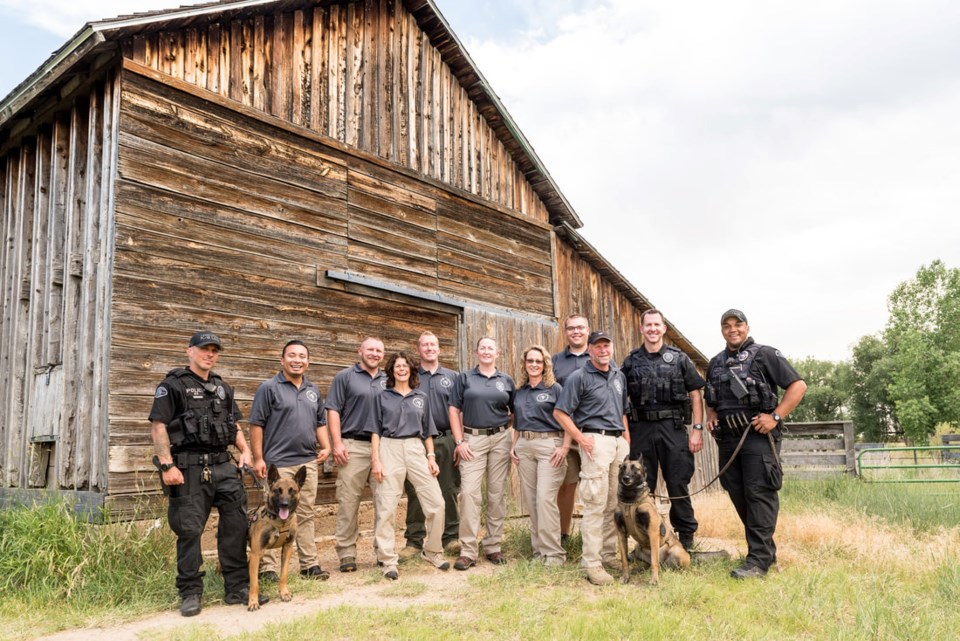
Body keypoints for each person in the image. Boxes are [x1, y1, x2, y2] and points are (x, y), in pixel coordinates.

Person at [149, 331, 265, 617]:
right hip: (188, 467)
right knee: (189, 530)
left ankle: (236, 588)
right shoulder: (172, 386)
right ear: (190, 351)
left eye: (214, 350)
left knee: (236, 527)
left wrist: (246, 452)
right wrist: (167, 465)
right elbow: (159, 426)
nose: (209, 354)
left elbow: (233, 424)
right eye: (204, 349)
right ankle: (190, 592)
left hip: (224, 466)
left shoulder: (222, 387)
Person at [704, 309, 807, 579]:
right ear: (722, 330)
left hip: (758, 437)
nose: (732, 329)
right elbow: (710, 398)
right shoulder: (715, 362)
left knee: (759, 494)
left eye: (737, 324)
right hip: (728, 439)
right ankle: (763, 553)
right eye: (726, 325)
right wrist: (711, 414)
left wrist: (775, 416)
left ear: (747, 328)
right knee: (738, 495)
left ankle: (758, 562)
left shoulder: (766, 354)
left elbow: (798, 386)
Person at [249, 340, 332, 582]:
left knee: (305, 513)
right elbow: (257, 424)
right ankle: (268, 568)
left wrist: (326, 445)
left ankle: (309, 564)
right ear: (282, 360)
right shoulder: (269, 388)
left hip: (306, 463)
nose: (297, 360)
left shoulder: (313, 390)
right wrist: (258, 457)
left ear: (308, 361)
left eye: (302, 356)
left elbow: (319, 422)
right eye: (292, 355)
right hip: (278, 463)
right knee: (271, 514)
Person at [622, 309, 705, 552]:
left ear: (664, 328)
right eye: (648, 325)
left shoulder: (679, 359)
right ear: (641, 329)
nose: (652, 329)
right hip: (641, 428)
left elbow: (695, 394)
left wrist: (697, 429)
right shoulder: (631, 361)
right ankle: (645, 539)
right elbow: (618, 396)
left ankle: (686, 538)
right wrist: (626, 434)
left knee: (677, 482)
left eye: (657, 325)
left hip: (673, 427)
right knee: (641, 484)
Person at [553, 330, 631, 586]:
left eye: (606, 346)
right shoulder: (579, 377)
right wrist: (581, 437)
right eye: (597, 346)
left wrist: (625, 440)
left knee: (612, 503)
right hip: (595, 441)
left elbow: (622, 412)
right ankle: (591, 562)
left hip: (617, 441)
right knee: (595, 503)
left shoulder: (619, 375)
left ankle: (607, 555)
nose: (602, 350)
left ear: (611, 348)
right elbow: (561, 413)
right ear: (590, 350)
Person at [370, 352, 450, 579]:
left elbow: (427, 432)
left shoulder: (421, 397)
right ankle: (387, 560)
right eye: (397, 366)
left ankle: (433, 550)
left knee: (436, 502)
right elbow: (375, 431)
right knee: (386, 505)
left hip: (416, 449)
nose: (401, 369)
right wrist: (376, 459)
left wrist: (431, 457)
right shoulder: (382, 397)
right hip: (389, 447)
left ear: (412, 370)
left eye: (405, 366)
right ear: (391, 370)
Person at [449, 336, 516, 571]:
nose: (487, 351)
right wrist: (460, 441)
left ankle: (493, 546)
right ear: (476, 352)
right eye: (483, 348)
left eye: (491, 348)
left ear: (497, 353)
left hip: (500, 438)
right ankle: (468, 550)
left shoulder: (506, 380)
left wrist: (509, 437)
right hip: (472, 440)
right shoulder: (465, 378)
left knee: (497, 494)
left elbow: (516, 410)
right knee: (469, 493)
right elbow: (454, 409)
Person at [325, 336, 387, 573]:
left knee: (384, 500)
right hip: (353, 445)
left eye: (379, 350)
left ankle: (383, 550)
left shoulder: (388, 379)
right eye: (370, 349)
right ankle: (347, 553)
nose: (374, 353)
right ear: (359, 351)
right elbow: (333, 410)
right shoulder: (345, 377)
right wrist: (337, 443)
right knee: (349, 501)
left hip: (382, 447)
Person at [400, 331, 461, 559]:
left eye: (433, 344)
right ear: (418, 350)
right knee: (416, 491)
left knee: (449, 489)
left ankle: (450, 538)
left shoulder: (453, 377)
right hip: (417, 442)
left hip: (446, 440)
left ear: (439, 348)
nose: (429, 348)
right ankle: (414, 541)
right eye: (424, 345)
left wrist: (459, 441)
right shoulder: (412, 377)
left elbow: (459, 411)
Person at [510, 345, 570, 565]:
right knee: (533, 501)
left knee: (545, 499)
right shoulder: (520, 391)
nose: (534, 365)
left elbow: (568, 420)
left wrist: (564, 447)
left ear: (545, 364)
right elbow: (517, 421)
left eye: (538, 361)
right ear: (524, 364)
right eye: (530, 361)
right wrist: (513, 446)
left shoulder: (555, 389)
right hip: (525, 446)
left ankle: (554, 554)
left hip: (550, 445)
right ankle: (539, 552)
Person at [552, 314, 591, 544]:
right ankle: (563, 534)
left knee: (597, 486)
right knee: (566, 485)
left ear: (587, 330)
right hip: (562, 432)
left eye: (580, 328)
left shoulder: (598, 356)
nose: (576, 332)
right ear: (565, 332)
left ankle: (594, 539)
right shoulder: (556, 362)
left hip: (592, 432)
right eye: (571, 328)